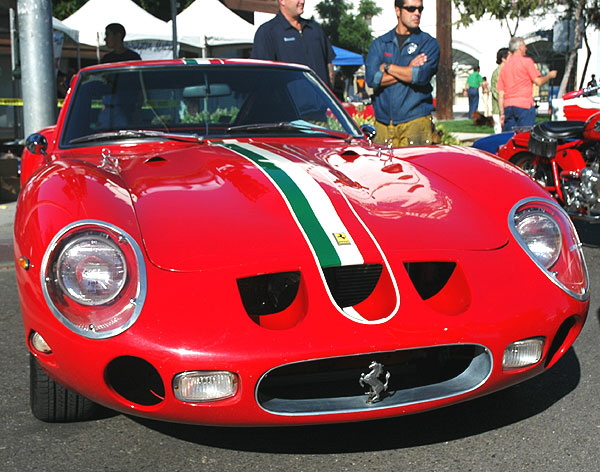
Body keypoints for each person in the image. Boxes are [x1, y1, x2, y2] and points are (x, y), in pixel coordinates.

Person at [365, 0, 439, 147]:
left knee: (414, 169)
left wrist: (387, 66)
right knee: (382, 169)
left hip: (416, 120)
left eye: (420, 9)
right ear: (398, 10)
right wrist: (408, 68)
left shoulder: (428, 44)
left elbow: (420, 76)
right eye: (411, 9)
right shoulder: (381, 43)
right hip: (383, 123)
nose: (417, 13)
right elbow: (372, 79)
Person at [251, 0, 335, 86]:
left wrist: (329, 93)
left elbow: (329, 63)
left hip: (320, 98)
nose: (302, 1)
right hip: (288, 99)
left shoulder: (315, 29)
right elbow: (262, 75)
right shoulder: (267, 32)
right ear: (282, 1)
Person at [497, 36, 557, 131]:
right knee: (524, 137)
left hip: (508, 105)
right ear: (520, 48)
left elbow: (501, 94)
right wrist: (549, 75)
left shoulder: (504, 67)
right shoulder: (526, 62)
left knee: (508, 137)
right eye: (525, 46)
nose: (526, 48)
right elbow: (538, 81)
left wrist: (502, 113)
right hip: (524, 105)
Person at [491, 47, 509, 134]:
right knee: (499, 132)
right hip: (498, 109)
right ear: (503, 59)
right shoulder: (499, 72)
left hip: (502, 108)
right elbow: (496, 92)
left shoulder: (505, 71)